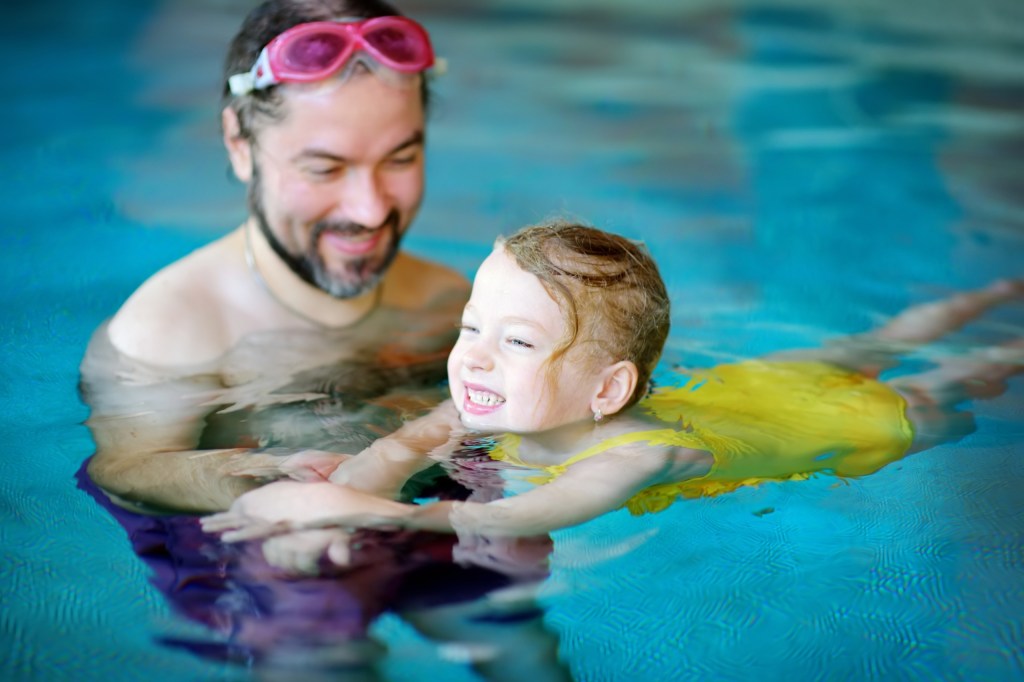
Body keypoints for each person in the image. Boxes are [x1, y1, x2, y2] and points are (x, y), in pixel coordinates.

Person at [201, 220, 1024, 570]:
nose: (474, 362)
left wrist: (360, 515)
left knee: (942, 380)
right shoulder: (492, 401)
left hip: (846, 423)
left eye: (515, 342)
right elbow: (397, 450)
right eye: (471, 327)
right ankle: (997, 288)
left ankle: (1004, 328)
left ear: (609, 389)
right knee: (859, 345)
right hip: (746, 387)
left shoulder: (639, 452)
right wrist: (338, 487)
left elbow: (518, 516)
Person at [81, 0, 469, 514]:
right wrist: (265, 479)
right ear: (239, 144)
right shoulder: (167, 332)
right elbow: (127, 468)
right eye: (325, 169)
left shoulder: (448, 301)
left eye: (401, 158)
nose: (371, 210)